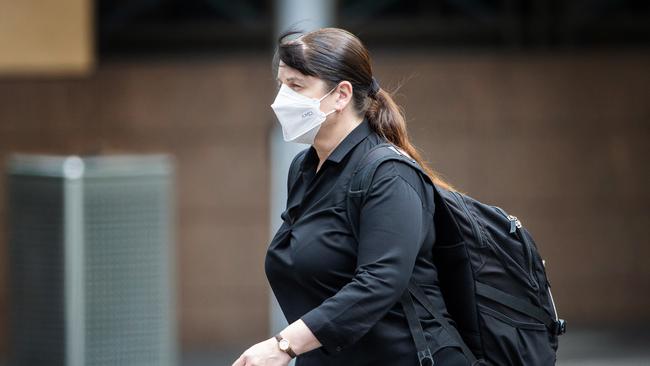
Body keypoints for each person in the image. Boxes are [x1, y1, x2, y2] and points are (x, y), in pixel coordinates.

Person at [232, 27, 470, 366]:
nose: (282, 98)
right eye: (282, 84)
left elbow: (380, 282)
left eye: (296, 85)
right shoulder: (304, 168)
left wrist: (283, 346)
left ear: (341, 95)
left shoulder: (389, 174)